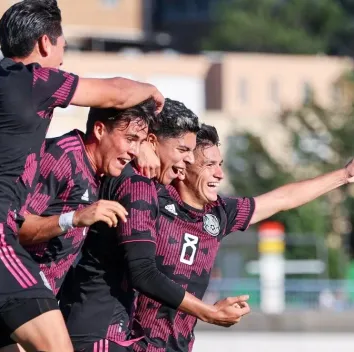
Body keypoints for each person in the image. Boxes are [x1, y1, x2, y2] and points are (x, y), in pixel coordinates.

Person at [0, 1, 165, 351]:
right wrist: (151, 93)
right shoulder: (32, 81)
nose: (62, 59)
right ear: (45, 43)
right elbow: (116, 92)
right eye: (63, 48)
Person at [131, 124, 354, 352]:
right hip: (131, 345)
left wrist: (345, 175)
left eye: (220, 165)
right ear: (183, 167)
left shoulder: (220, 212)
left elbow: (282, 199)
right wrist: (143, 147)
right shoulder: (149, 199)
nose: (220, 174)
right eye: (209, 165)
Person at [0, 100, 156, 352]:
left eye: (140, 141)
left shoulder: (98, 168)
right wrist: (73, 218)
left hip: (29, 308)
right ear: (100, 130)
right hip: (2, 300)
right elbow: (10, 228)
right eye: (129, 139)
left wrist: (146, 146)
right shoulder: (63, 156)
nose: (134, 150)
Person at [60, 100, 250, 352]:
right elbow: (144, 274)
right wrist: (208, 312)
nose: (188, 160)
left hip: (95, 323)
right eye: (183, 149)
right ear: (152, 141)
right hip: (101, 332)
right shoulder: (137, 185)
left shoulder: (123, 176)